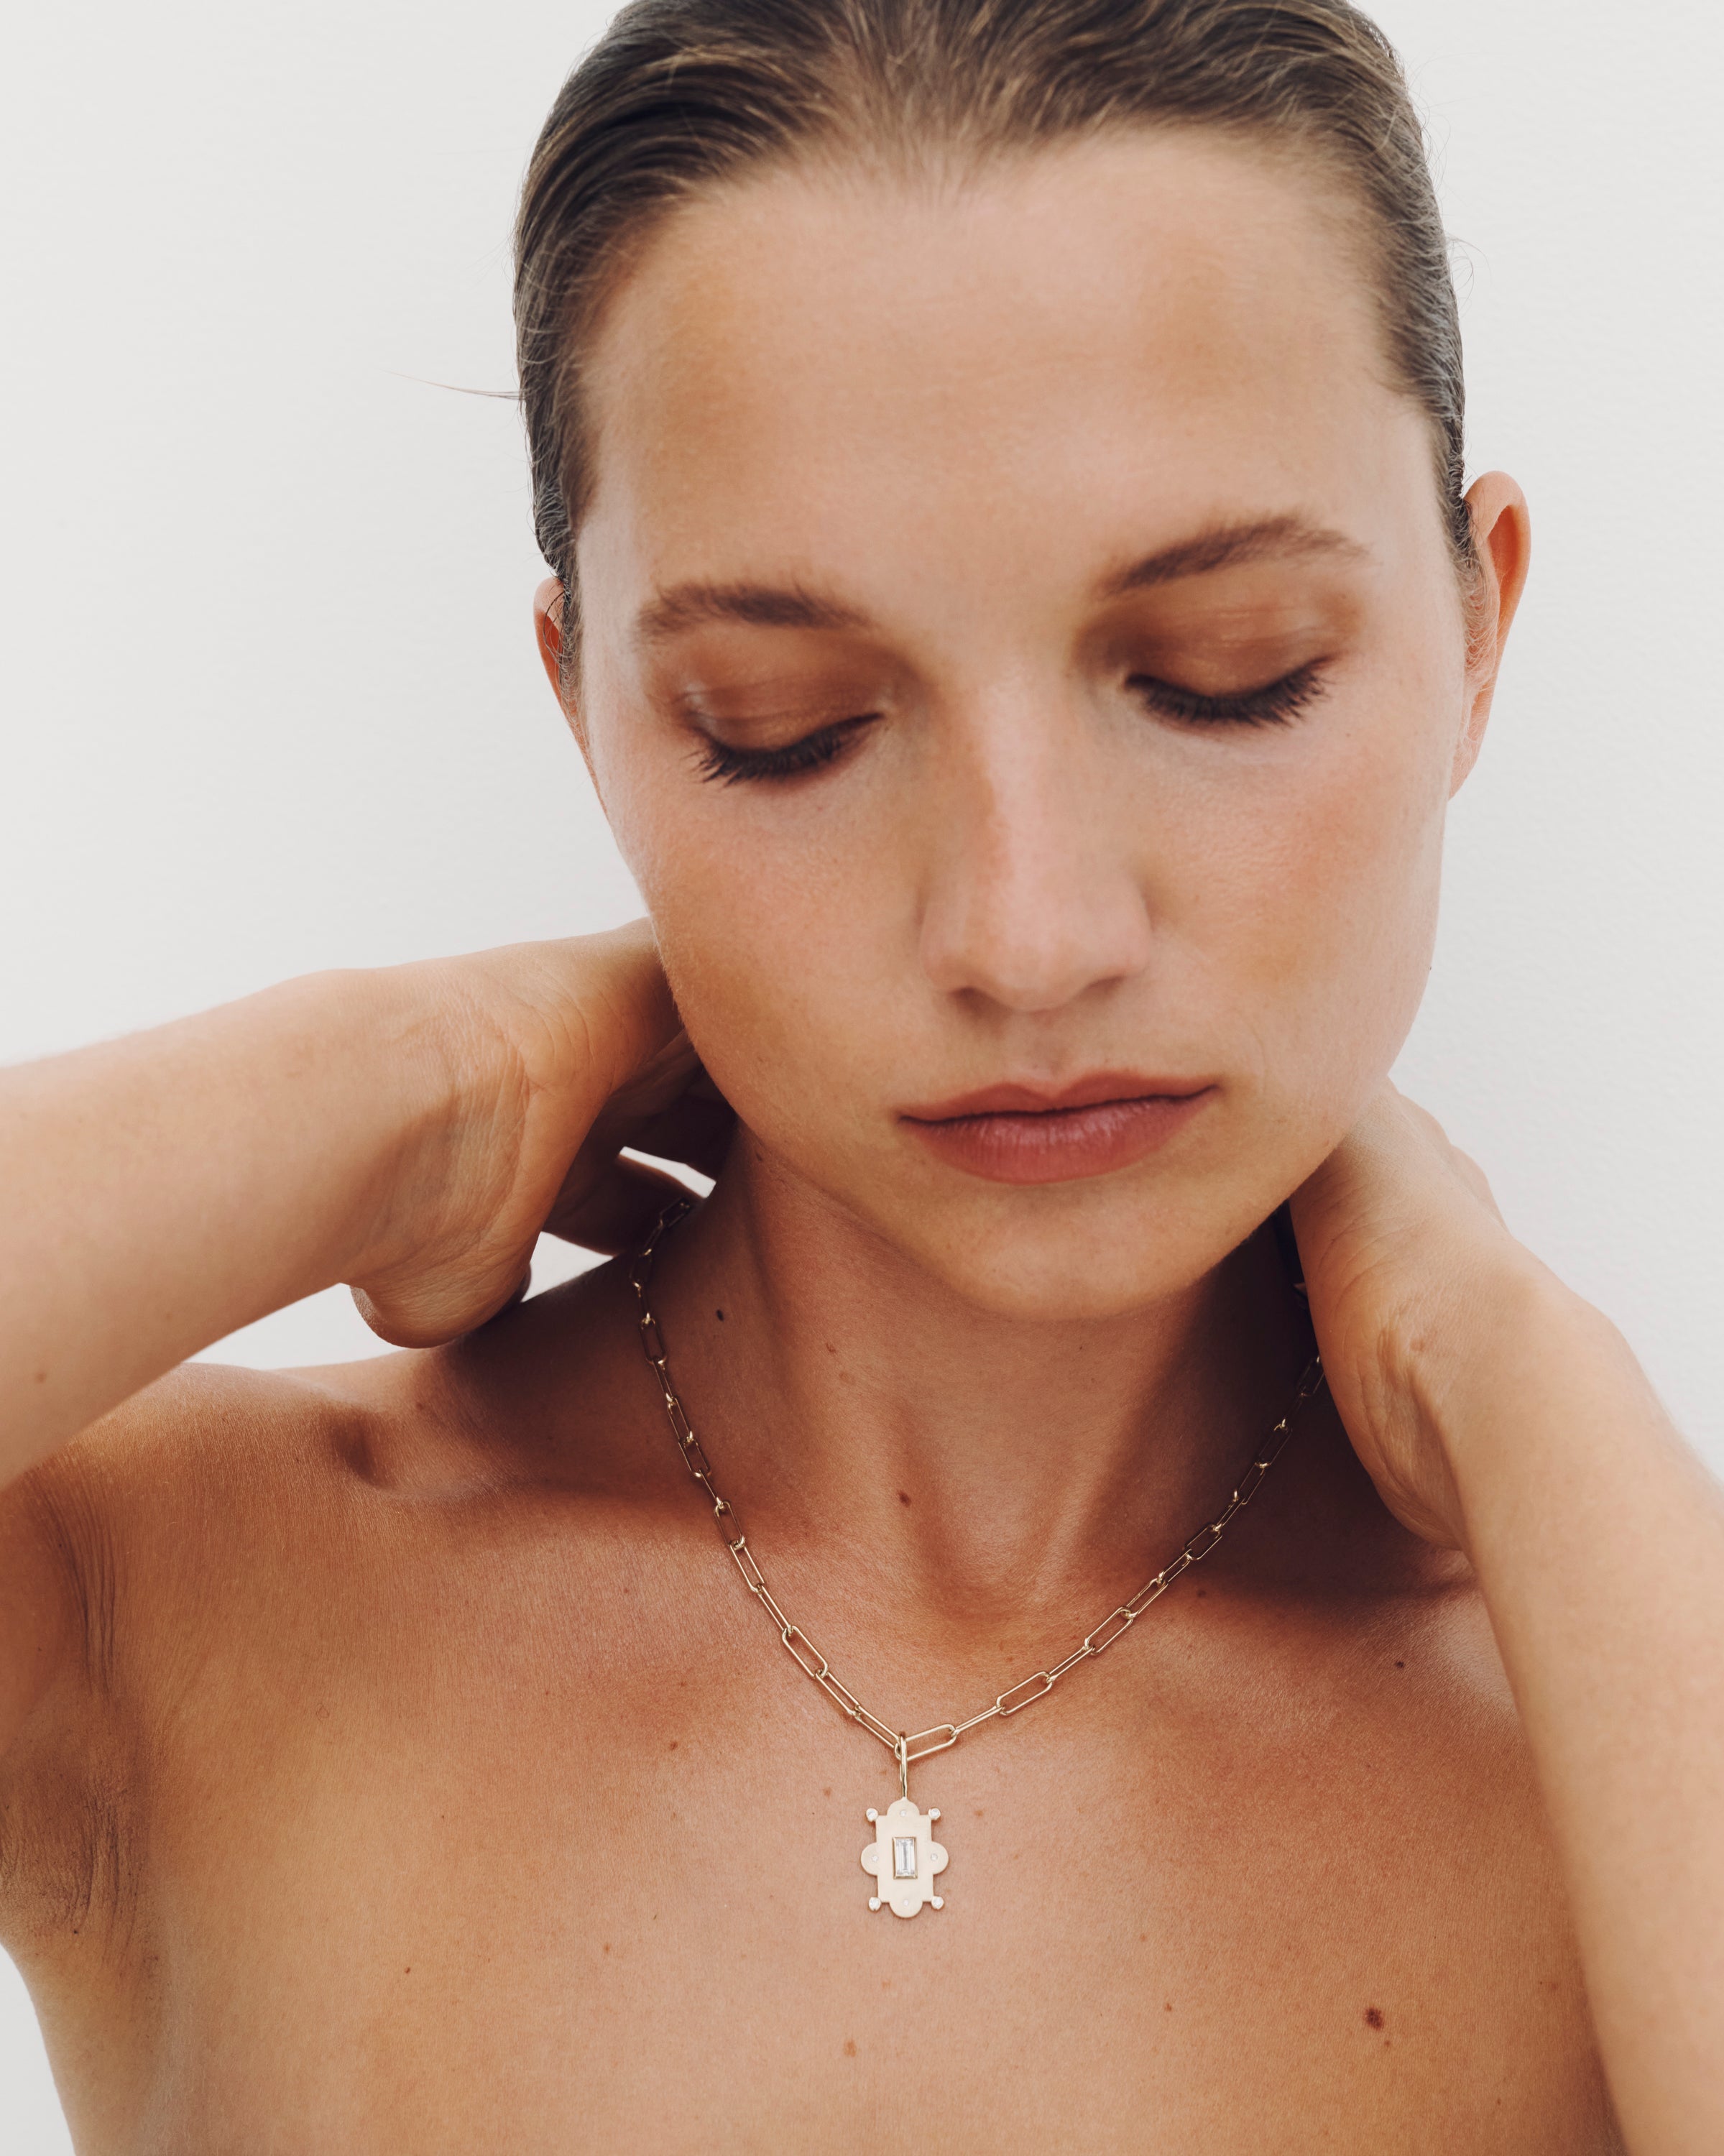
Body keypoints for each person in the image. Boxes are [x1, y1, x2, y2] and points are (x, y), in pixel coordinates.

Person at [1, 0, 1718, 2145]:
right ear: (592, 708)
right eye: (784, 724)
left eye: (1224, 682)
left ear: (1478, 626)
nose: (1028, 933)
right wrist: (408, 1086)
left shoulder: (1626, 1708)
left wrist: (1521, 1374)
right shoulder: (201, 1608)